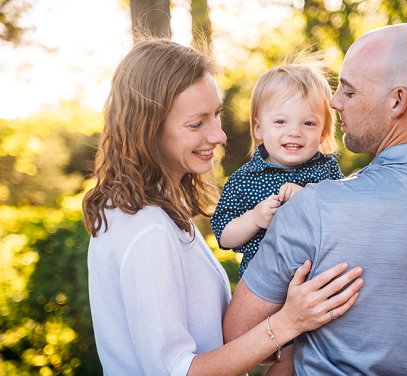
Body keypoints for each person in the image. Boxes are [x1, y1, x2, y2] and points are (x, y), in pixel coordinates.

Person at [223, 23, 407, 375]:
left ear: (397, 101)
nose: (334, 103)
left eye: (348, 92)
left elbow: (237, 336)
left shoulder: (314, 208)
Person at [82, 39, 364, 375]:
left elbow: (206, 340)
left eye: (215, 114)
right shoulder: (146, 230)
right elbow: (179, 371)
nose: (219, 135)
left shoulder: (160, 211)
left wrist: (269, 334)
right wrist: (287, 323)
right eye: (196, 123)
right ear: (148, 129)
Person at [211, 62, 343, 277]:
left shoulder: (327, 170)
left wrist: (310, 199)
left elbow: (343, 218)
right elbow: (223, 235)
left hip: (317, 281)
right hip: (263, 288)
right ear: (259, 128)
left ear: (323, 131)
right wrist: (253, 219)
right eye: (280, 121)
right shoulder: (244, 180)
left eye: (308, 123)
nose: (294, 132)